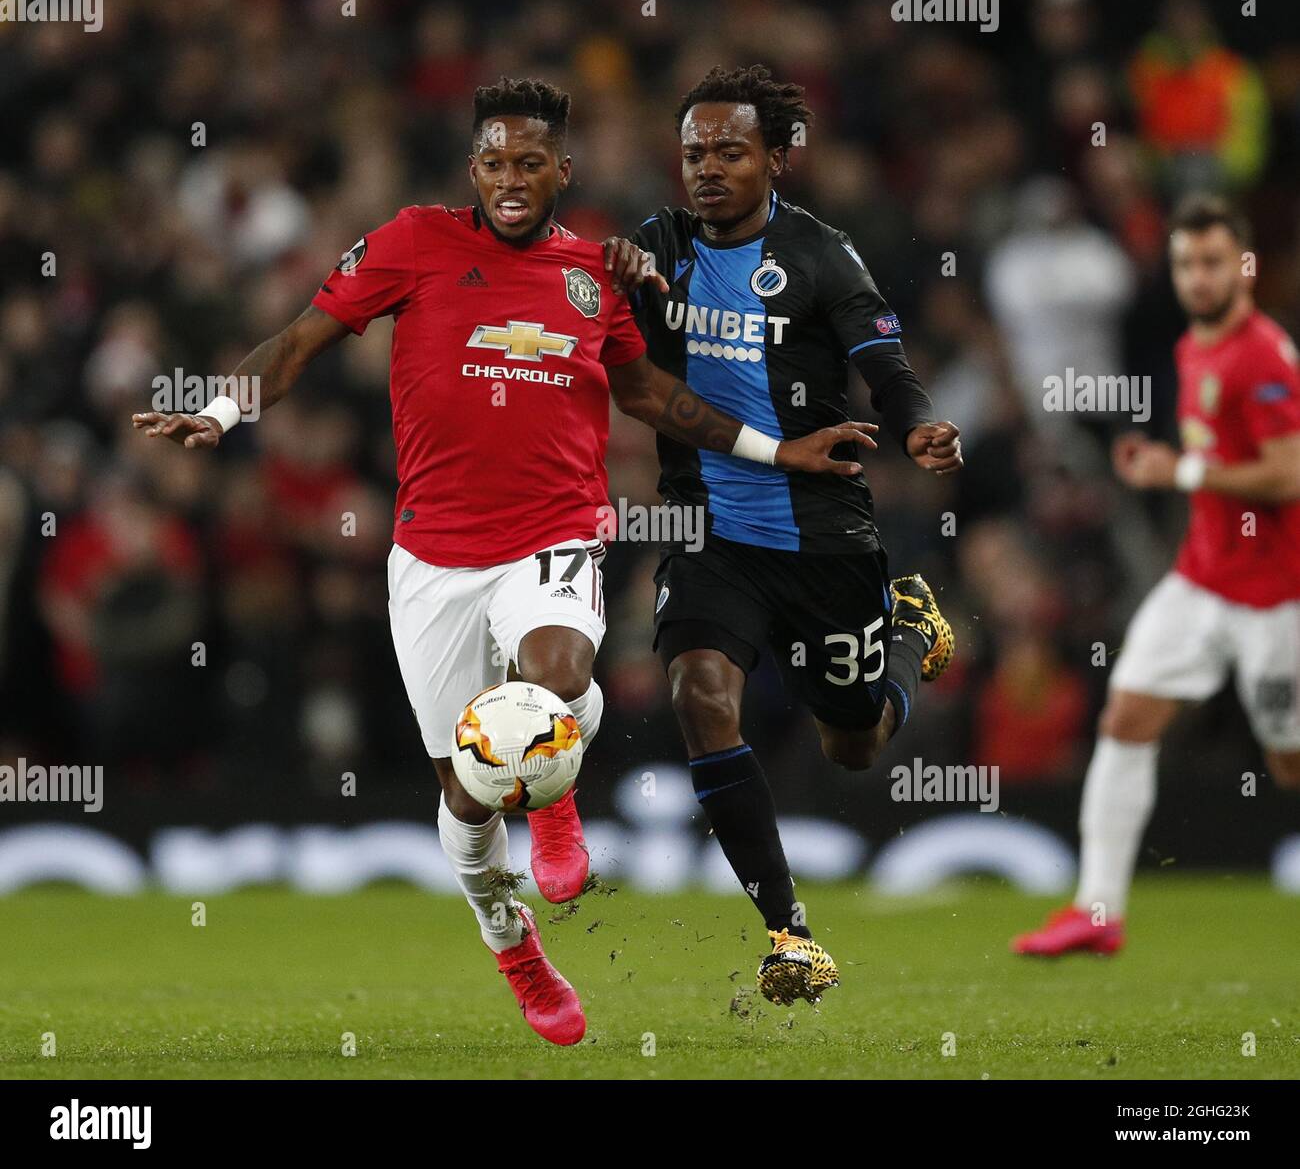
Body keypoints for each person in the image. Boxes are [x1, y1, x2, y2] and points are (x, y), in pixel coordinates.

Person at [132, 77, 878, 1044]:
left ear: (563, 170)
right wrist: (220, 408)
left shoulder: (593, 271)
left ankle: (557, 803)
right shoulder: (411, 243)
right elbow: (301, 341)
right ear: (472, 168)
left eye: (532, 163)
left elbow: (650, 393)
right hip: (432, 557)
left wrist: (777, 450)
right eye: (494, 162)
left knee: (559, 672)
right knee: (466, 792)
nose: (512, 180)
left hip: (557, 530)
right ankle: (511, 939)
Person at [609, 66, 962, 1005]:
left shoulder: (821, 254)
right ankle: (790, 931)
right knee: (697, 693)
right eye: (694, 153)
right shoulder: (659, 246)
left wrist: (918, 419)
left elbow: (879, 354)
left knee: (853, 742)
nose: (708, 169)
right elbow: (620, 314)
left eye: (730, 150)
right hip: (710, 530)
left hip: (821, 537)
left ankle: (902, 629)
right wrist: (622, 274)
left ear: (777, 156)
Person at [1013, 194, 1300, 956]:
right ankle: (1098, 911)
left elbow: (1285, 474)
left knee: (1288, 758)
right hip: (1201, 580)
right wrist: (1164, 469)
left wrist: (1185, 468)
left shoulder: (1265, 354)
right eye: (1184, 263)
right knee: (1126, 720)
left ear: (1244, 265)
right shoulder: (1192, 347)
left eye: (1211, 262)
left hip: (1277, 599)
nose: (1197, 277)